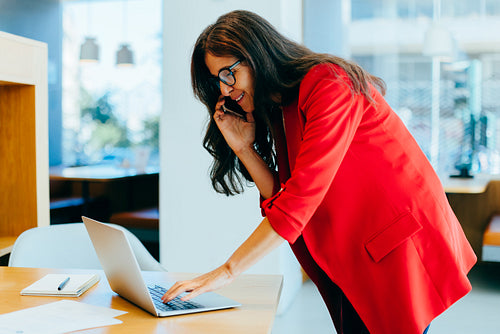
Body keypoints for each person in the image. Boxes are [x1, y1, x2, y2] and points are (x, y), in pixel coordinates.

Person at [162, 10, 477, 334]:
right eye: (218, 81)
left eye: (228, 74)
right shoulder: (283, 106)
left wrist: (227, 271)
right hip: (354, 249)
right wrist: (244, 148)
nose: (226, 90)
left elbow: (296, 203)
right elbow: (282, 194)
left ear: (256, 54)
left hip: (395, 245)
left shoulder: (329, 83)